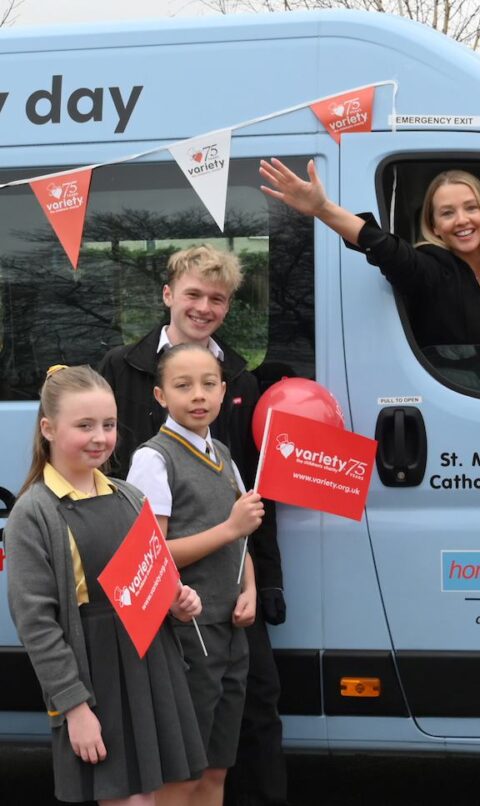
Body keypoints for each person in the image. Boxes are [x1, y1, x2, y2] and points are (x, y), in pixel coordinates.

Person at [98, 245, 288, 806]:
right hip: (168, 600)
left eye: (218, 299)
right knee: (179, 751)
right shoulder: (121, 369)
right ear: (167, 296)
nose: (203, 307)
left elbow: (248, 500)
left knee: (238, 728)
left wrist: (258, 584)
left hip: (227, 599)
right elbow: (126, 510)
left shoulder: (239, 385)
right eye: (193, 295)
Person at [5, 364, 206, 805]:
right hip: (95, 680)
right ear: (48, 428)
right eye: (84, 425)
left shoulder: (130, 497)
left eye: (109, 425)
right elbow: (37, 624)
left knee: (159, 795)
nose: (100, 437)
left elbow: (153, 580)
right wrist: (74, 708)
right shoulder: (33, 513)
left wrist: (176, 602)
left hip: (151, 664)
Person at [126, 343, 264, 806]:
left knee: (216, 770)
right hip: (187, 636)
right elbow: (153, 556)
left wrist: (250, 588)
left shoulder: (222, 452)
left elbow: (242, 535)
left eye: (208, 384)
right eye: (183, 386)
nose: (198, 395)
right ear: (161, 395)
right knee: (181, 774)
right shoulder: (154, 458)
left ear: (224, 392)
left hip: (229, 630)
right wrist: (229, 528)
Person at [258, 158, 480, 348]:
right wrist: (323, 209)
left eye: (470, 208)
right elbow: (384, 247)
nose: (462, 220)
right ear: (434, 226)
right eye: (447, 213)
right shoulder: (432, 269)